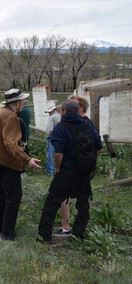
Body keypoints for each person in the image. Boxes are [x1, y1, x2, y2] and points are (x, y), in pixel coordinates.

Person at [38, 99, 102, 242]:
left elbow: (58, 153)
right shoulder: (87, 124)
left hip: (67, 170)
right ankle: (78, 233)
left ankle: (45, 235)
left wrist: (59, 167)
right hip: (84, 172)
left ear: (64, 111)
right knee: (83, 203)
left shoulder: (61, 127)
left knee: (52, 201)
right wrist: (85, 160)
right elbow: (99, 148)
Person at [0, 88, 41, 241]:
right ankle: (7, 233)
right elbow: (10, 143)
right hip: (7, 162)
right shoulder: (10, 117)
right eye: (22, 101)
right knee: (13, 197)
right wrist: (26, 159)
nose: (23, 103)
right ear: (16, 103)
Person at [54, 95, 103, 235]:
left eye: (73, 104)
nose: (69, 107)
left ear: (81, 108)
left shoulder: (86, 124)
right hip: (79, 168)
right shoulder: (76, 123)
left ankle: (72, 228)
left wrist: (82, 160)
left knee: (71, 197)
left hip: (76, 169)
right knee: (71, 197)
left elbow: (98, 148)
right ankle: (68, 227)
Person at [44, 101, 61, 175]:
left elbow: (49, 130)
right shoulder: (59, 116)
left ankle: (50, 171)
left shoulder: (52, 117)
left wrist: (47, 136)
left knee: (50, 155)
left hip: (52, 137)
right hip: (59, 137)